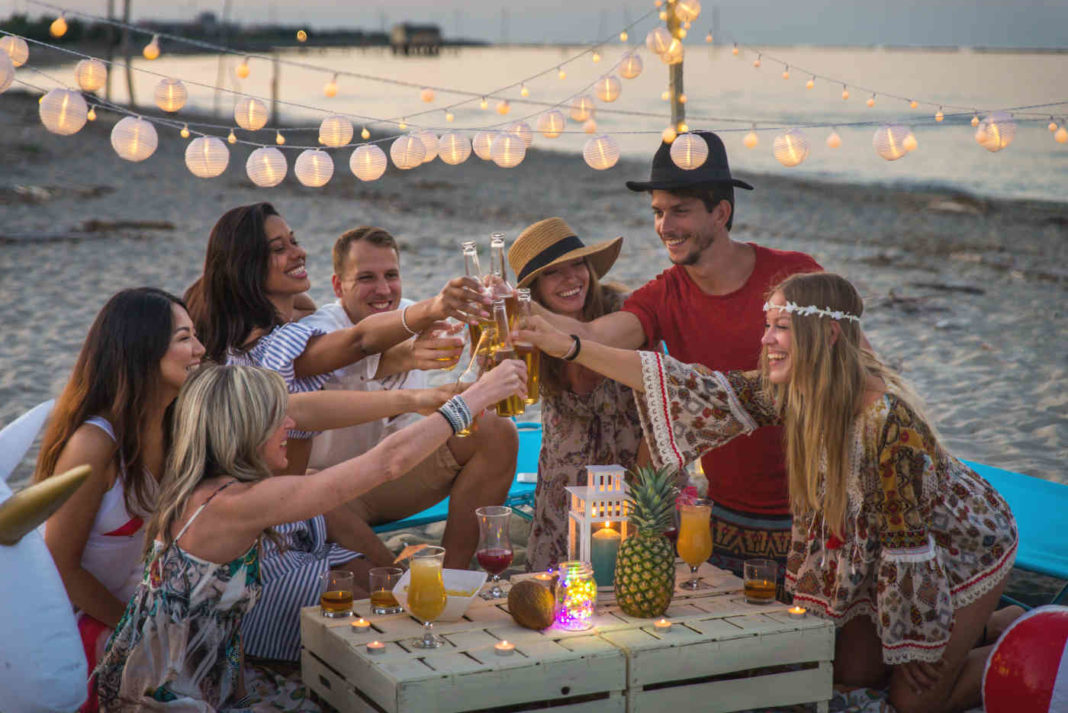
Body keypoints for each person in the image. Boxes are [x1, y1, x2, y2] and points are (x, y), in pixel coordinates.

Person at [517, 271, 1017, 713]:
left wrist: (920, 644)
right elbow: (689, 386)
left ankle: (1017, 639)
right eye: (767, 325)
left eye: (781, 328)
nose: (766, 340)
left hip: (962, 549)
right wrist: (571, 347)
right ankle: (989, 626)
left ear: (829, 334)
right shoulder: (796, 388)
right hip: (887, 550)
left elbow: (909, 546)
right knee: (854, 673)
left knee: (915, 699)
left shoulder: (890, 424)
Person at [95, 361, 526, 711]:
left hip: (188, 680)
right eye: (276, 417)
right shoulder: (232, 505)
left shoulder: (202, 487)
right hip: (163, 700)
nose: (290, 423)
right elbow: (387, 463)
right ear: (245, 429)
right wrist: (475, 399)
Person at [184, 203, 488, 663]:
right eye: (278, 248)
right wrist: (434, 312)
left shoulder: (284, 325)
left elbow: (353, 354)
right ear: (247, 264)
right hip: (259, 532)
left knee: (381, 587)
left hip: (296, 515)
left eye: (294, 240)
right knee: (375, 603)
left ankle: (431, 606)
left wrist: (410, 361)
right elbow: (357, 345)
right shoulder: (267, 347)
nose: (296, 252)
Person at [536, 130, 821, 580]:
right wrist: (520, 311)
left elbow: (858, 373)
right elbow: (595, 334)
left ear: (721, 213)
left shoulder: (794, 274)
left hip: (817, 517)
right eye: (658, 212)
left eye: (680, 211)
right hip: (723, 525)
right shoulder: (664, 293)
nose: (665, 226)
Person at [300, 226, 518, 571]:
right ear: (339, 286)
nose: (383, 289)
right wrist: (407, 356)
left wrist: (485, 361)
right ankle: (396, 574)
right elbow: (351, 356)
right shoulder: (321, 328)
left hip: (386, 478)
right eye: (367, 278)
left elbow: (451, 380)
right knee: (305, 487)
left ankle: (452, 575)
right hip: (330, 492)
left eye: (391, 275)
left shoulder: (411, 315)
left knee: (495, 428)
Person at [34, 288, 205, 713]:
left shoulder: (174, 426)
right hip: (73, 623)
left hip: (134, 611)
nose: (200, 349)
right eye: (184, 338)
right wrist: (139, 630)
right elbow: (60, 566)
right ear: (141, 349)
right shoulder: (94, 444)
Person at [505, 217, 643, 571]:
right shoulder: (527, 334)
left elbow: (659, 397)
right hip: (562, 484)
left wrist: (645, 492)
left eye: (578, 264)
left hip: (635, 473)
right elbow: (500, 397)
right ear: (534, 289)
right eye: (554, 273)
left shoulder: (623, 312)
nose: (571, 279)